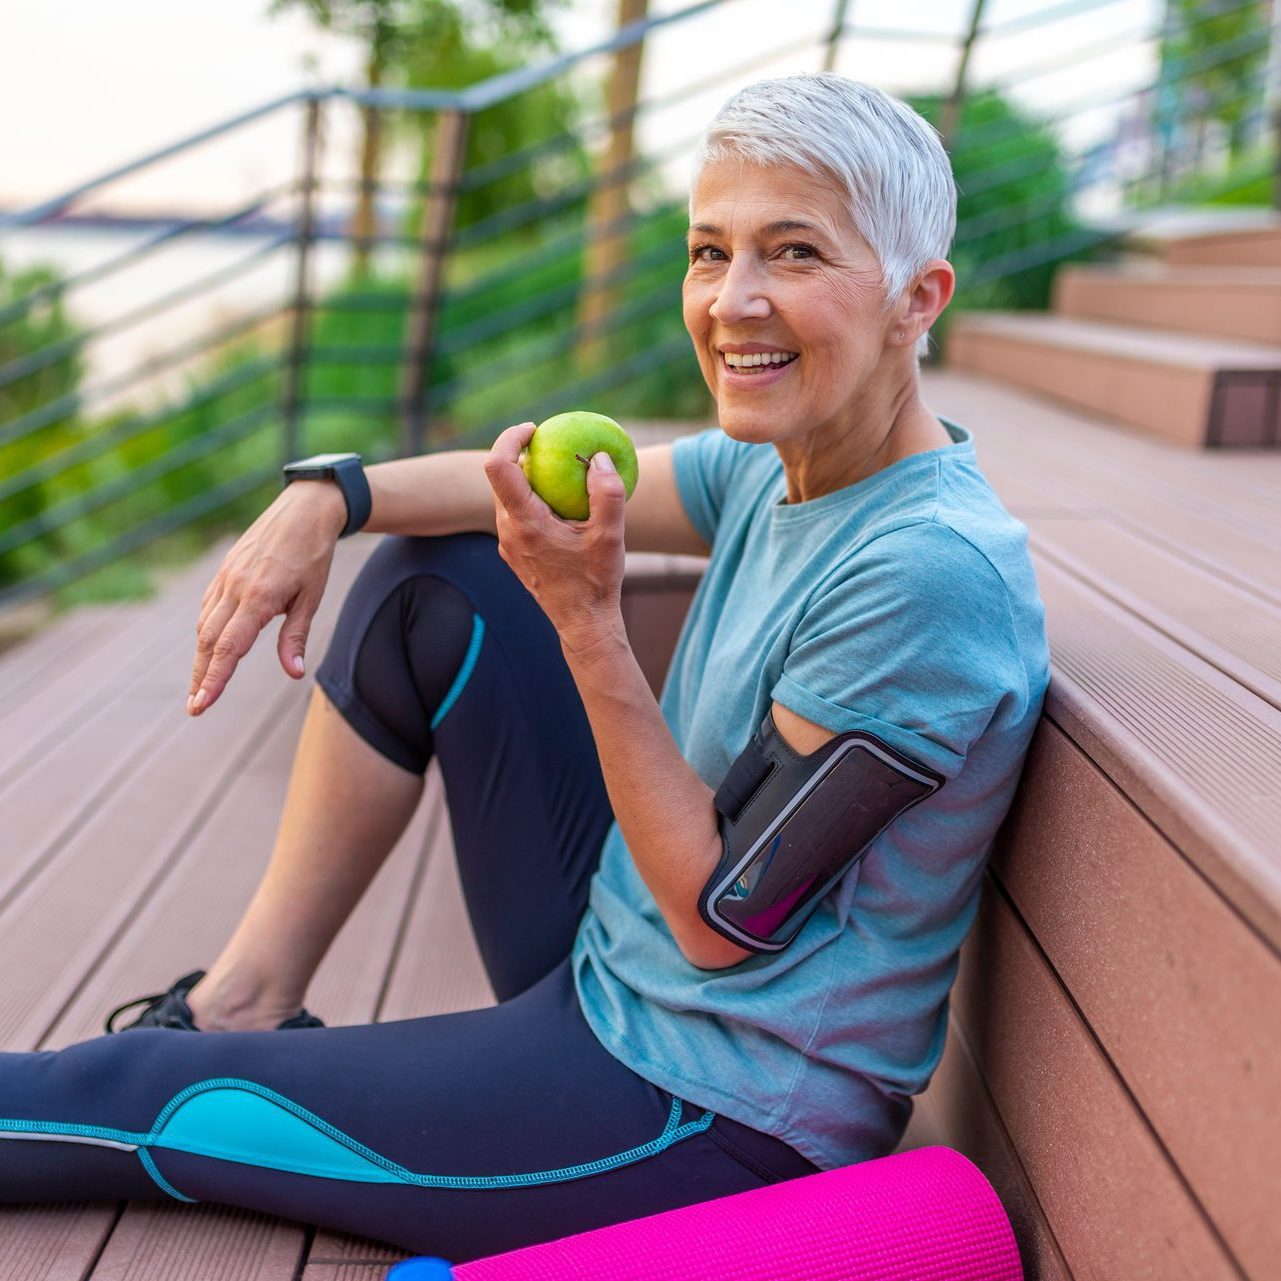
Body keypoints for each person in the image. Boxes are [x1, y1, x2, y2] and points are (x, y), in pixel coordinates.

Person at [0, 74, 1049, 1260]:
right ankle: (247, 996)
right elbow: (504, 479)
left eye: (794, 254)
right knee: (437, 579)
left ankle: (189, 1055)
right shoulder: (789, 455)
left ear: (921, 297)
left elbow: (720, 924)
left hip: (706, 1115)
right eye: (711, 253)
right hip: (610, 964)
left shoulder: (926, 577)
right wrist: (328, 495)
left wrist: (589, 622)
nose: (733, 301)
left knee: (163, 1097)